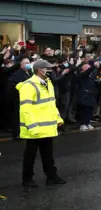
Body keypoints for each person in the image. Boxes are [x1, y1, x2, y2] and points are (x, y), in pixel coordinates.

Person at [17, 59, 66, 188]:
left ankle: (51, 176)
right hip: (34, 128)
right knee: (30, 155)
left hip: (46, 127)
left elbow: (50, 104)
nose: (50, 70)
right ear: (40, 70)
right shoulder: (29, 85)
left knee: (48, 154)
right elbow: (25, 109)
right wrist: (32, 127)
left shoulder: (47, 83)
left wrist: (58, 119)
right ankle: (27, 179)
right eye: (48, 68)